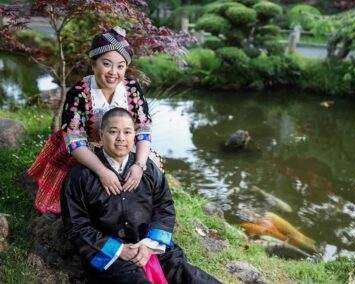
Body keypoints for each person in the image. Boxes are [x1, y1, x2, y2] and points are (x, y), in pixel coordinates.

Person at [61, 108, 220, 283]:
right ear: (101, 134)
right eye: (113, 131)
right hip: (108, 254)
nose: (121, 138)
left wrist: (149, 245)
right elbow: (77, 226)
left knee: (190, 277)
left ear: (135, 135)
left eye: (127, 132)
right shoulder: (80, 176)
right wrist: (119, 250)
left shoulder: (148, 170)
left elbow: (164, 207)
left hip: (150, 246)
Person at [27, 26, 155, 214]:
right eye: (106, 64)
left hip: (123, 147)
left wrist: (139, 165)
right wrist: (102, 171)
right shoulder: (79, 93)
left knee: (146, 174)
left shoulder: (132, 88)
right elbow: (75, 140)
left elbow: (143, 128)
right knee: (87, 189)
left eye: (120, 66)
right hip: (86, 150)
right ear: (93, 64)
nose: (113, 72)